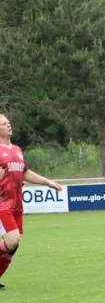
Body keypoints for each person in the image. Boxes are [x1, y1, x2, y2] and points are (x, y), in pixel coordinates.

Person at [0, 113, 62, 290]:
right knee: (12, 240)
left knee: (13, 246)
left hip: (16, 204)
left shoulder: (17, 150)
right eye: (4, 124)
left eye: (9, 122)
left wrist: (48, 182)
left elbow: (25, 172)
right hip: (1, 204)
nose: (9, 125)